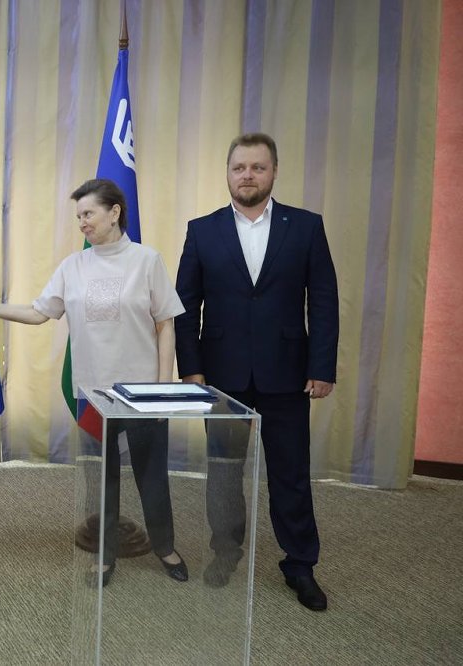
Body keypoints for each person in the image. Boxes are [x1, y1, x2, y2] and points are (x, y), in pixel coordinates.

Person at [0, 178, 188, 586]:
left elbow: (166, 325)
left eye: (89, 213)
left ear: (114, 212)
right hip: (93, 392)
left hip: (142, 394)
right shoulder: (73, 266)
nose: (82, 222)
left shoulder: (147, 260)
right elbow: (39, 313)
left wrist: (163, 390)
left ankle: (165, 547)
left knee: (151, 475)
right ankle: (105, 555)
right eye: (79, 216)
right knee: (102, 478)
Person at [175, 132, 339, 611]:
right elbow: (185, 306)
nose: (247, 175)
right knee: (225, 472)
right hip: (221, 376)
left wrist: (322, 366)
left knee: (290, 472)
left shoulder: (305, 227)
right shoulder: (202, 230)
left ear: (273, 172)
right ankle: (225, 551)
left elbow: (324, 301)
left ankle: (300, 564)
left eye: (257, 167)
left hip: (288, 374)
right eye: (239, 167)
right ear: (228, 174)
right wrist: (191, 369)